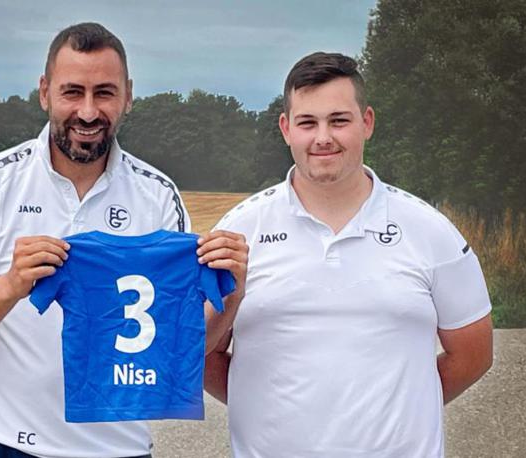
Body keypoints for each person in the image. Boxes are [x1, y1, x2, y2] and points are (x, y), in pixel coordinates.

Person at [0, 22, 247, 457]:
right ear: (44, 92)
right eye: (72, 92)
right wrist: (11, 285)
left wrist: (232, 293)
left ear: (127, 96)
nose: (87, 111)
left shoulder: (158, 195)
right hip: (8, 443)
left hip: (120, 448)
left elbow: (183, 347)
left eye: (104, 93)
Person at [205, 52, 493, 457]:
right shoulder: (238, 231)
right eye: (308, 123)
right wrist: (261, 406)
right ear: (286, 129)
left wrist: (407, 410)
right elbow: (202, 353)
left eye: (339, 120)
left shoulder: (431, 230)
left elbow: (474, 354)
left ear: (367, 122)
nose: (323, 137)